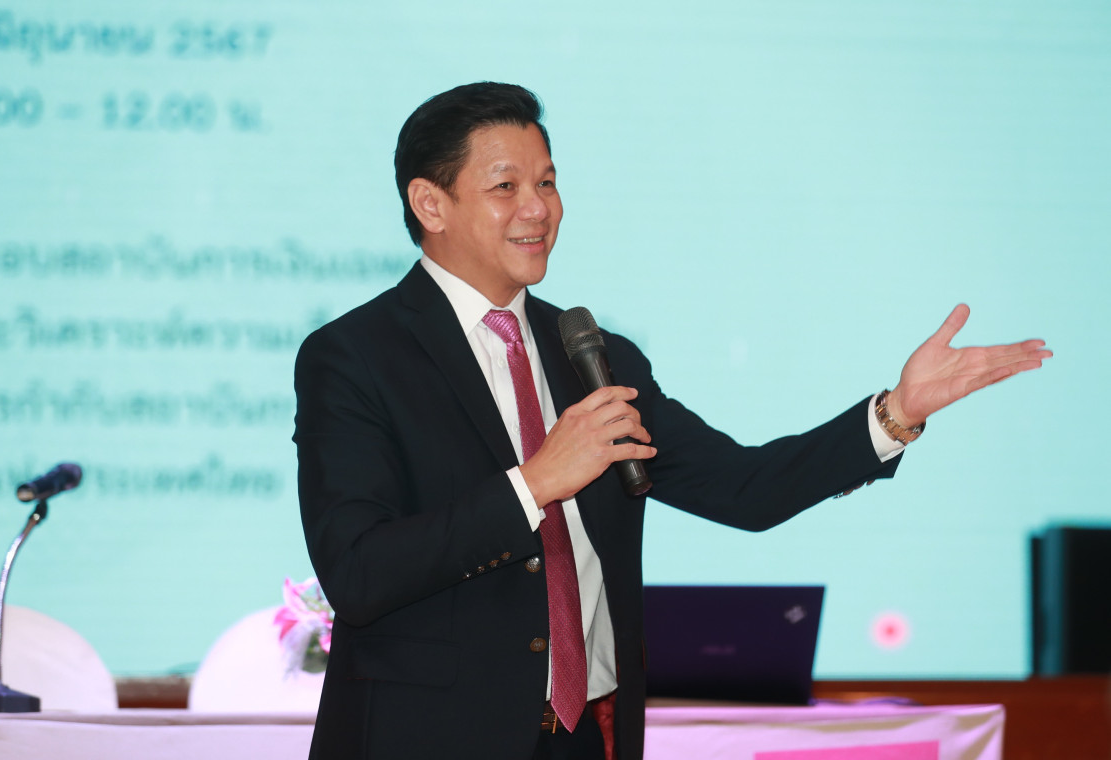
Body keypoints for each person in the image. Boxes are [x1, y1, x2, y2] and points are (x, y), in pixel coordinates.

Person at [292, 82, 1050, 760]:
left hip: (583, 740)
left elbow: (746, 488)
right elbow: (359, 572)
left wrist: (896, 412)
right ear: (431, 205)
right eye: (506, 186)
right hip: (427, 739)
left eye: (548, 181)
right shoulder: (355, 356)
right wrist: (535, 483)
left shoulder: (593, 355)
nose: (539, 208)